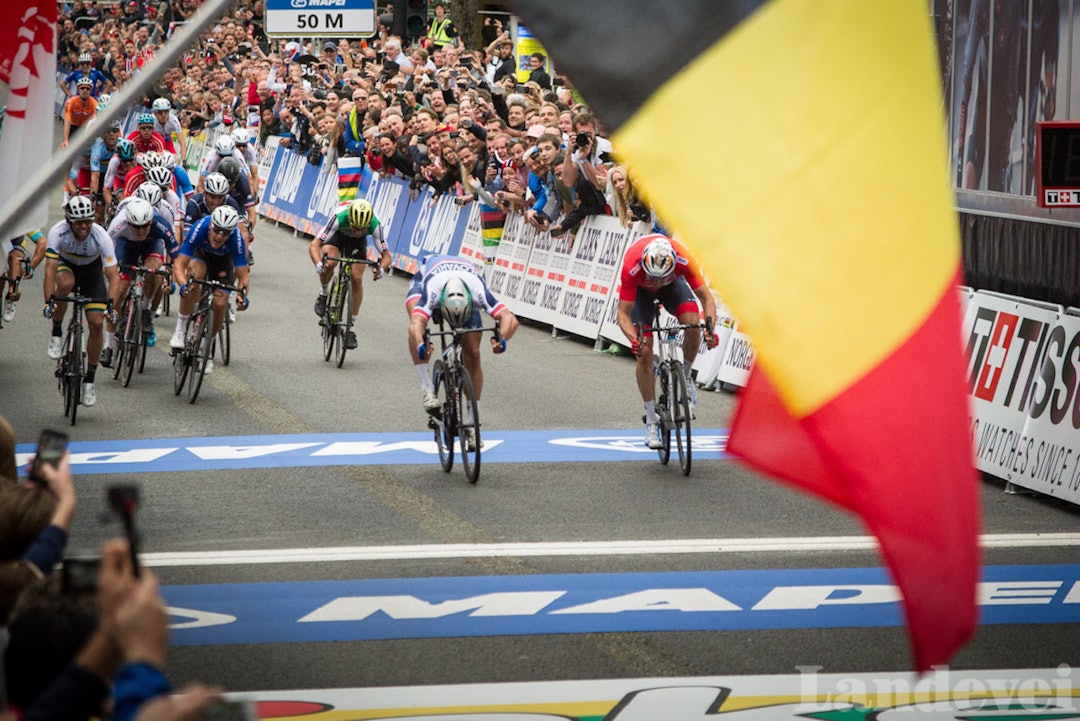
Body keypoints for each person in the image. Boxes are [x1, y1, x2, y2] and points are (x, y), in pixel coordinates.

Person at [615, 234, 718, 449]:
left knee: (692, 321)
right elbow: (623, 314)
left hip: (674, 287)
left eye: (661, 277)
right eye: (652, 277)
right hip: (640, 295)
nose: (656, 283)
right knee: (644, 351)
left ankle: (687, 376)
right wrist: (634, 340)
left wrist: (709, 329)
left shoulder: (683, 258)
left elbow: (707, 299)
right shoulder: (632, 265)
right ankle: (651, 420)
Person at [407, 255, 519, 445]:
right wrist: (421, 343)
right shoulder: (432, 289)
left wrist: (502, 340)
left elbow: (510, 319)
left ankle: (472, 422)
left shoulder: (477, 290)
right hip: (429, 276)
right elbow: (416, 322)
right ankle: (426, 387)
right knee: (415, 320)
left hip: (463, 285)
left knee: (473, 353)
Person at [42, 196, 120, 408]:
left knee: (96, 324)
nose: (84, 226)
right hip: (66, 266)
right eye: (79, 223)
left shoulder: (101, 236)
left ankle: (89, 381)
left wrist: (111, 306)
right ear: (69, 222)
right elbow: (50, 269)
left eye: (88, 221)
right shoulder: (58, 232)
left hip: (91, 272)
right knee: (64, 283)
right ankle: (57, 333)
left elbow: (113, 275)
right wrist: (48, 301)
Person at [169, 205, 250, 376]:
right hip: (201, 256)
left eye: (225, 233)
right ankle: (180, 330)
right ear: (211, 226)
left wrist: (242, 296)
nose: (220, 236)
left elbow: (243, 277)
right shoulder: (200, 228)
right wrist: (184, 285)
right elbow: (179, 265)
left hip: (223, 262)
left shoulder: (237, 239)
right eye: (217, 230)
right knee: (194, 278)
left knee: (220, 304)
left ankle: (207, 349)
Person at [102, 198, 179, 363]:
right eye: (136, 227)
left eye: (145, 226)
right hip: (126, 246)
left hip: (152, 245)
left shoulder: (160, 224)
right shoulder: (119, 223)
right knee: (118, 292)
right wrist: (111, 271)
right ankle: (108, 346)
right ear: (129, 223)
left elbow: (175, 254)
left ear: (151, 221)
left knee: (155, 270)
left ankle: (145, 311)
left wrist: (169, 275)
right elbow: (106, 249)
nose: (141, 230)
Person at [309, 199, 391, 350]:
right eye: (355, 228)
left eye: (362, 229)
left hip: (357, 244)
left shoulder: (375, 223)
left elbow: (387, 256)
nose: (358, 232)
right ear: (350, 219)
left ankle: (351, 328)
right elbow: (314, 245)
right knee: (330, 263)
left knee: (357, 278)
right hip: (337, 236)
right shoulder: (339, 217)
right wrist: (318, 264)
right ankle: (324, 292)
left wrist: (381, 270)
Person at [2, 229, 46, 323]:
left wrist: (31, 267)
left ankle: (12, 295)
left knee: (16, 260)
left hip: (14, 243)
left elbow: (42, 243)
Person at [60, 77, 98, 150]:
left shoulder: (95, 104)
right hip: (73, 127)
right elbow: (67, 122)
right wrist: (65, 140)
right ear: (78, 89)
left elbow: (95, 122)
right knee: (68, 149)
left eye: (88, 88)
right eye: (82, 88)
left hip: (85, 128)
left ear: (91, 90)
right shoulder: (71, 102)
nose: (85, 90)